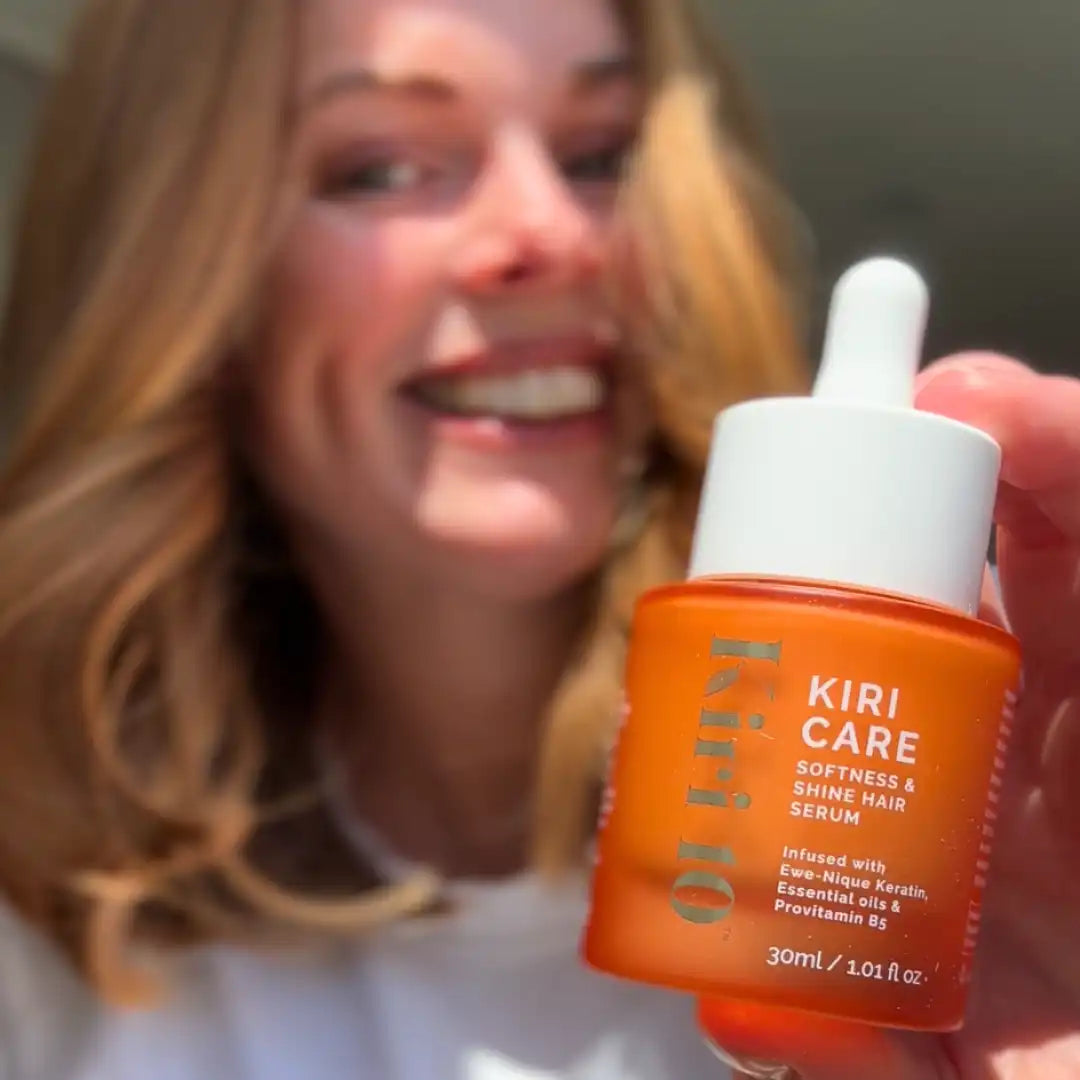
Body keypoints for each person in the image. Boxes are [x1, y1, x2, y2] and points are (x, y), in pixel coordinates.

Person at [0, 0, 1076, 1078]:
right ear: (185, 279)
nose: (550, 234)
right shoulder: (45, 939)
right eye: (382, 168)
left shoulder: (905, 899)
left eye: (601, 156)